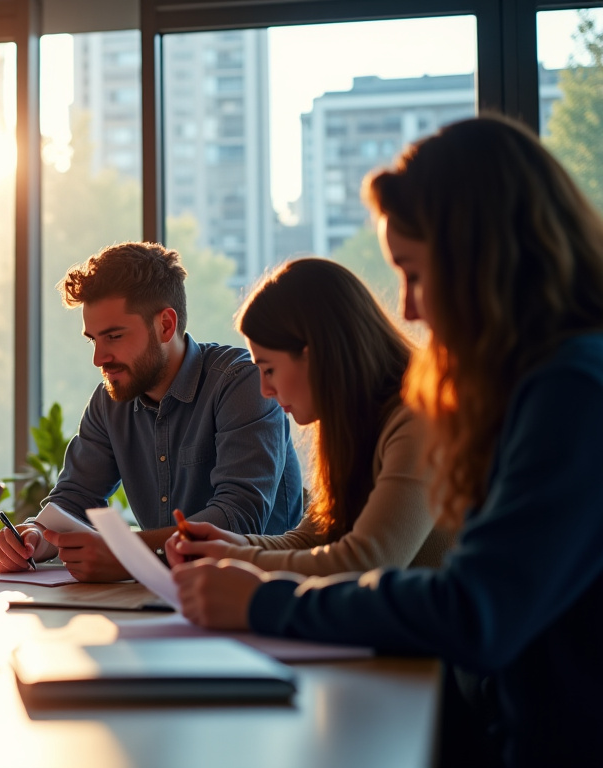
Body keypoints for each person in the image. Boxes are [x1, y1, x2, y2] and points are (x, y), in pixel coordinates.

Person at [172, 116, 603, 767]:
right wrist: (246, 560)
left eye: (416, 273)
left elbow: (472, 609)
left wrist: (263, 599)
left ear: (485, 259)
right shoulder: (557, 381)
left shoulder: (573, 391)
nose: (407, 308)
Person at [0, 242, 303, 581]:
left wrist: (128, 553)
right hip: (161, 595)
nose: (99, 358)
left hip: (260, 595)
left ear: (166, 326)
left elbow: (238, 517)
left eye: (113, 336)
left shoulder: (242, 383)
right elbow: (74, 497)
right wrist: (36, 535)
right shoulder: (109, 401)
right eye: (93, 339)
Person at [165, 258, 453, 574]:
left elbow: (366, 560)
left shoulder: (417, 420)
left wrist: (235, 557)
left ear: (314, 354)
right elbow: (312, 541)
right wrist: (232, 547)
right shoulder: (353, 428)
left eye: (269, 370)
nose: (265, 390)